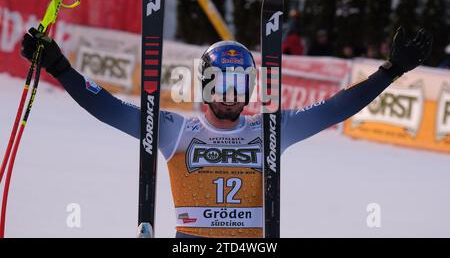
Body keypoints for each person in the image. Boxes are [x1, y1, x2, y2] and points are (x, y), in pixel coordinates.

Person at [20, 26, 432, 238]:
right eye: (222, 85)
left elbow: (335, 108)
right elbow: (109, 107)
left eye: (239, 86)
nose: (231, 97)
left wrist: (389, 71)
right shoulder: (175, 130)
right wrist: (60, 68)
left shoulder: (270, 129)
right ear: (206, 85)